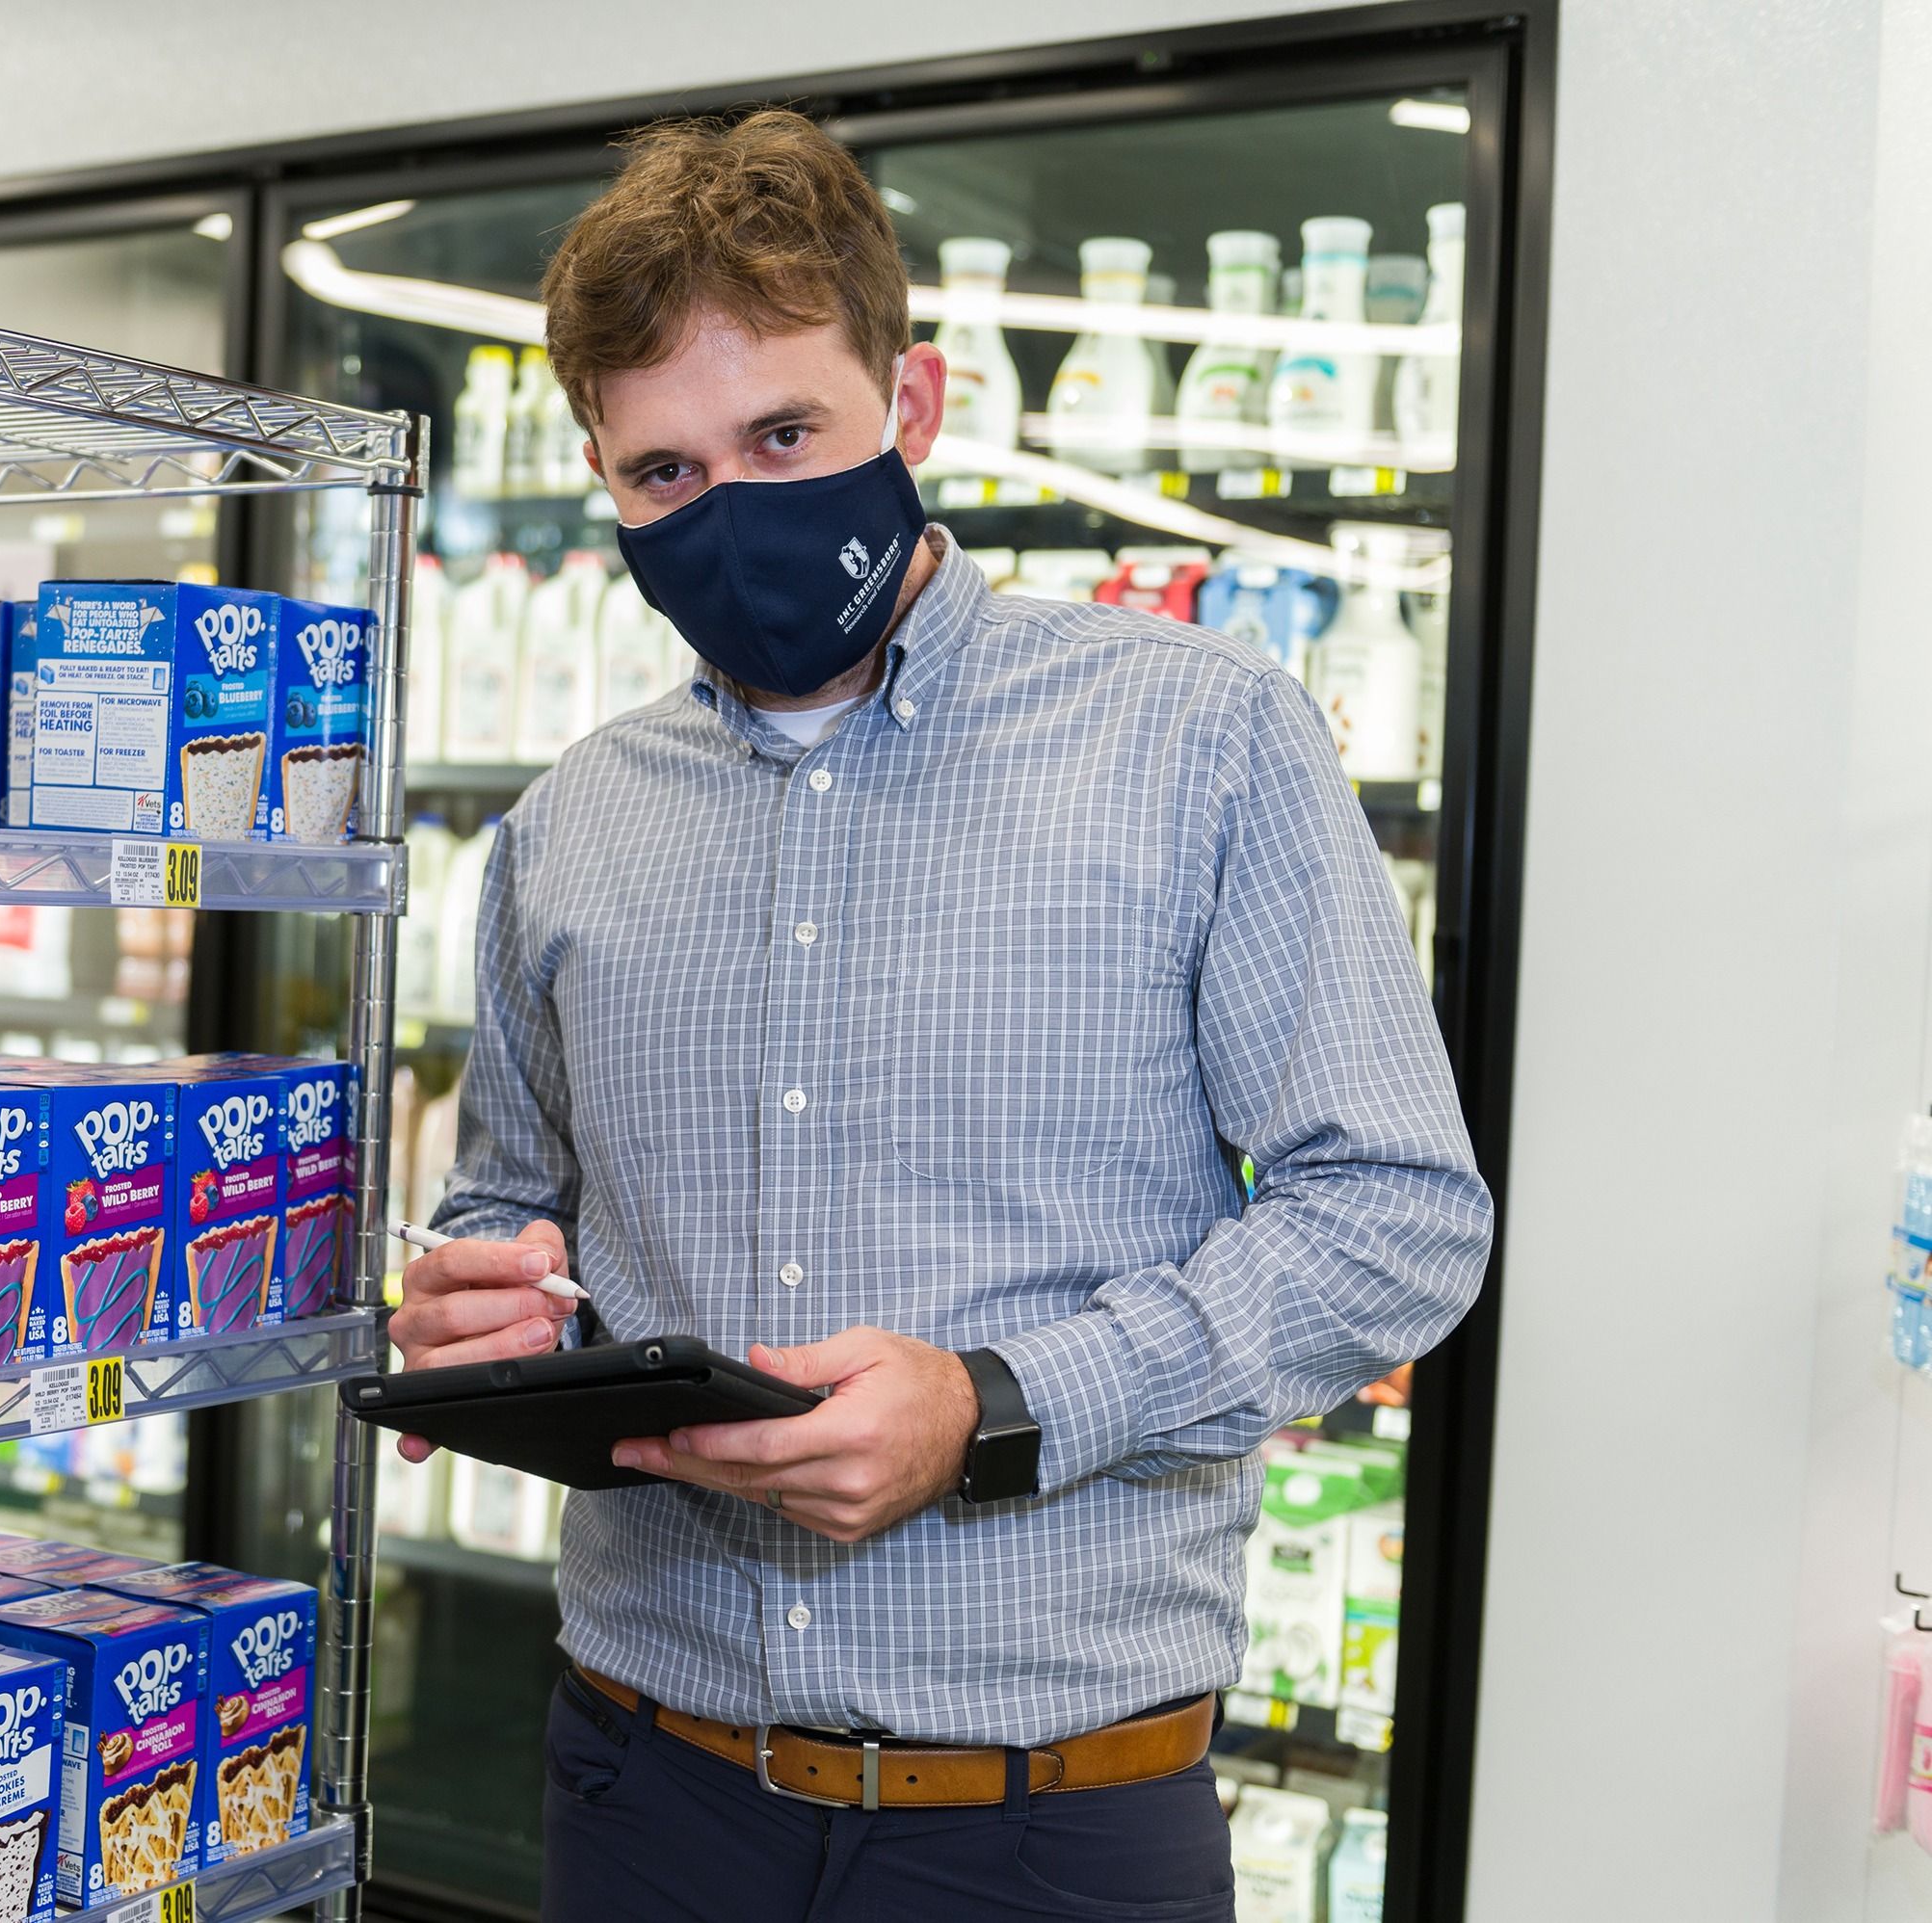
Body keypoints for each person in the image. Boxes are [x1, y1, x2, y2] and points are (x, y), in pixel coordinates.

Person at [395, 110, 1493, 1922]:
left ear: (911, 407)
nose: (729, 509)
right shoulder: (570, 817)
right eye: (665, 474)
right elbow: (515, 1200)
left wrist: (996, 1407)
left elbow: (1393, 1216)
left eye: (783, 437)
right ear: (598, 469)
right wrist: (475, 1301)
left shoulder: (1201, 738)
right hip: (645, 1785)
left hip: (1049, 1827)